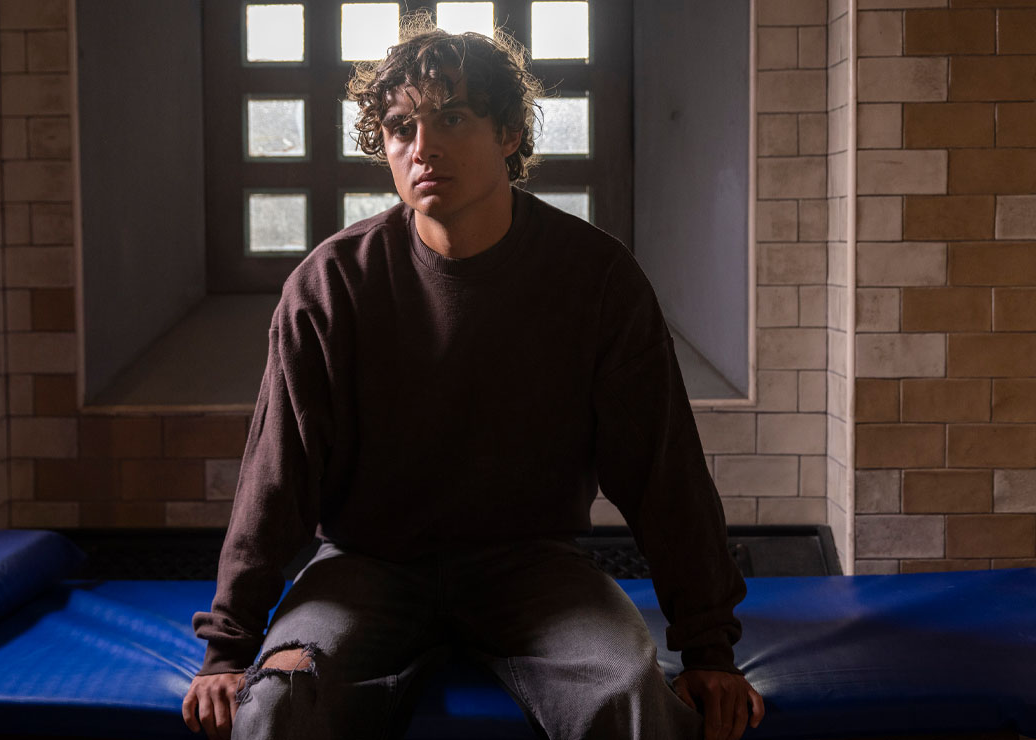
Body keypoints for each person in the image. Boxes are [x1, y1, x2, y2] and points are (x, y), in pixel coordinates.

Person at [183, 15, 765, 740]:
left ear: (510, 133)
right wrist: (228, 649)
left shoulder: (596, 279)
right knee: (278, 703)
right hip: (367, 567)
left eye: (452, 118)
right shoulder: (331, 284)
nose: (422, 147)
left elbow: (662, 472)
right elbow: (278, 474)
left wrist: (709, 649)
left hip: (533, 569)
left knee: (626, 693)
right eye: (401, 128)